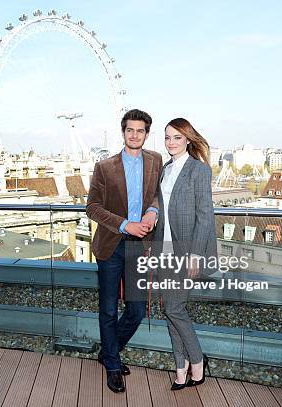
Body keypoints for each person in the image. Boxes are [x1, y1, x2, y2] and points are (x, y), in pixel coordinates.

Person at [86, 109, 163, 393]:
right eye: (130, 130)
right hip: (111, 244)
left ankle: (108, 352)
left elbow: (157, 193)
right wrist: (124, 225)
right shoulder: (104, 167)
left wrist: (153, 211)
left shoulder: (155, 160)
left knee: (137, 309)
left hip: (140, 246)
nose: (134, 135)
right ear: (123, 132)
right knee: (107, 309)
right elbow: (92, 207)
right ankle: (114, 365)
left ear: (146, 133)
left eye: (140, 131)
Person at [153, 118, 217, 390]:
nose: (170, 142)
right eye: (167, 137)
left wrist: (195, 256)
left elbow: (205, 217)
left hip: (186, 250)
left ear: (188, 139)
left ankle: (198, 363)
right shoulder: (166, 169)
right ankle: (181, 368)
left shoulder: (198, 171)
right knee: (170, 310)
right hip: (164, 249)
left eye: (177, 137)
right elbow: (160, 206)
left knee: (174, 308)